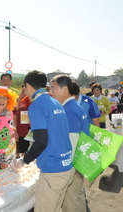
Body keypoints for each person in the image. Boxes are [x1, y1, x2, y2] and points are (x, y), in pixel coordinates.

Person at [9, 70, 74, 212]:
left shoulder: (37, 105)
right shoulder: (55, 102)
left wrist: (23, 160)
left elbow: (41, 140)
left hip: (53, 170)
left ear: (27, 85)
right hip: (67, 165)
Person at [50, 75, 89, 212]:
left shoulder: (69, 110)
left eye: (53, 88)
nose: (51, 92)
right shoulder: (74, 106)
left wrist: (66, 166)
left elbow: (73, 140)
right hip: (79, 160)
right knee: (77, 196)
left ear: (64, 89)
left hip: (72, 162)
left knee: (70, 201)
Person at [13, 86, 31, 157]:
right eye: (23, 91)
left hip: (28, 132)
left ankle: (23, 165)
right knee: (18, 151)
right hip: (20, 132)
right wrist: (15, 131)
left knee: (25, 153)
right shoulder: (18, 103)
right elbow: (14, 117)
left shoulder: (31, 102)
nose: (25, 92)